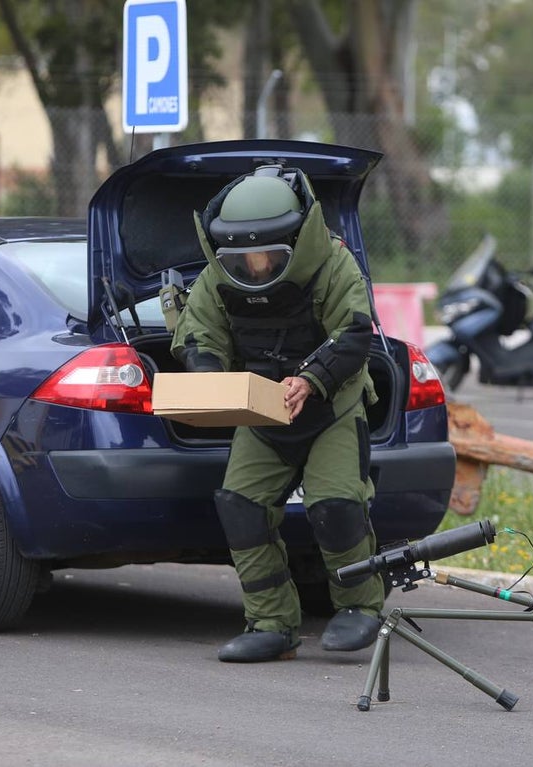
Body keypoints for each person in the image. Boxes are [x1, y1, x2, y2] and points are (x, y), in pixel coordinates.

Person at [171, 164, 385, 663]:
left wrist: (310, 379)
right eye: (240, 258)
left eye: (267, 255)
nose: (254, 267)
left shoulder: (332, 265)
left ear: (294, 238)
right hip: (264, 411)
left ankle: (359, 607)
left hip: (331, 406)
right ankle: (271, 622)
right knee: (240, 506)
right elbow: (198, 335)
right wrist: (208, 378)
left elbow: (354, 334)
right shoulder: (217, 278)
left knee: (335, 504)